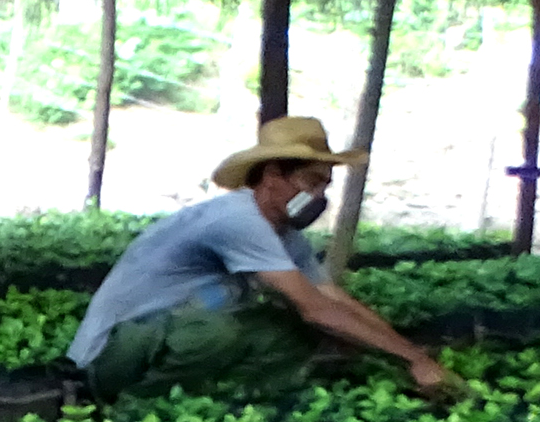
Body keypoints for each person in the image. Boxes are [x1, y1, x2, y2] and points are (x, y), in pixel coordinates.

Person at [66, 116, 464, 402]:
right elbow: (316, 309)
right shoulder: (237, 219)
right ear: (273, 176)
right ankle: (134, 407)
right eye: (311, 182)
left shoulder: (284, 235)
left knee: (294, 330)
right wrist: (411, 358)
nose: (320, 197)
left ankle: (223, 402)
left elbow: (333, 300)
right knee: (220, 332)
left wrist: (414, 356)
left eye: (326, 185)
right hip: (110, 352)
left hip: (163, 335)